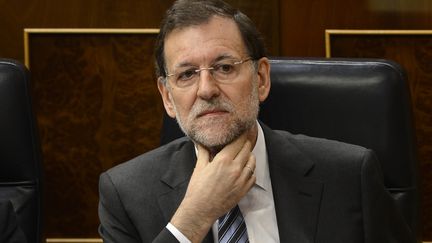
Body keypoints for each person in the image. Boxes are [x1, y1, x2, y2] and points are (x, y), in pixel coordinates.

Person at [98, 0, 413, 242]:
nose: (206, 89)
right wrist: (193, 218)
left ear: (261, 78)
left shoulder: (348, 176)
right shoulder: (126, 194)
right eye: (187, 74)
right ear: (167, 96)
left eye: (224, 67)